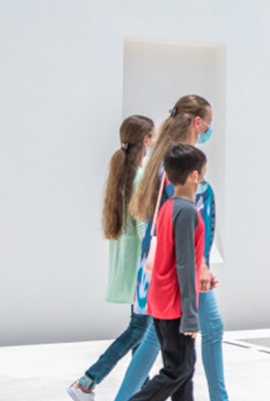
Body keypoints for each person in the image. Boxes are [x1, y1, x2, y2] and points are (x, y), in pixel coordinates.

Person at [115, 95, 227, 401]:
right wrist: (200, 265)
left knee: (158, 342)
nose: (209, 130)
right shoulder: (181, 167)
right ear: (197, 122)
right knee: (211, 331)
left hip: (167, 270)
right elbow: (182, 223)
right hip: (184, 269)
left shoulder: (168, 160)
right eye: (209, 123)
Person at [66, 116, 155, 401]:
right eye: (152, 137)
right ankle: (87, 381)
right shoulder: (139, 177)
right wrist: (155, 263)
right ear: (146, 141)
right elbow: (143, 227)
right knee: (139, 329)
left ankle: (143, 387)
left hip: (129, 267)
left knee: (139, 331)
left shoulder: (123, 176)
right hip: (141, 269)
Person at [129, 143, 208, 401]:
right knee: (179, 369)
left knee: (184, 371)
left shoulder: (167, 208)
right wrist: (190, 315)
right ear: (194, 176)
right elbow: (184, 264)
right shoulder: (187, 212)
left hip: (161, 302)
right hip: (175, 306)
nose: (203, 181)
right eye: (203, 175)